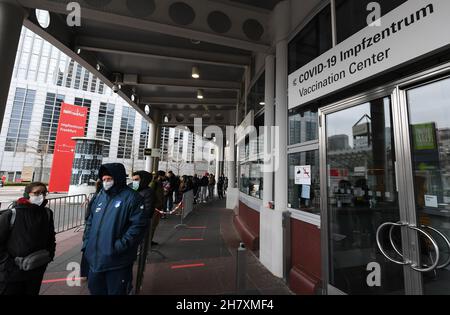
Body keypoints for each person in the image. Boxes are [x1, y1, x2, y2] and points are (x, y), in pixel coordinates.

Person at [83, 163, 148, 295]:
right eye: (104, 179)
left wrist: (118, 247)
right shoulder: (100, 196)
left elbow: (138, 227)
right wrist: (87, 243)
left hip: (117, 262)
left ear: (118, 178)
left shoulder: (132, 198)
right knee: (95, 291)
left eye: (109, 179)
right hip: (95, 259)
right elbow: (90, 221)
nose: (106, 182)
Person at [0, 182, 56, 295]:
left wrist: (49, 255)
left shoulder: (47, 214)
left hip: (36, 271)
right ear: (27, 194)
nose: (41, 196)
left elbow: (51, 238)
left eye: (44, 193)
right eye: (37, 193)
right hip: (11, 274)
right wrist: (8, 264)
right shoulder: (12, 214)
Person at [149, 171, 165, 246]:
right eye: (163, 176)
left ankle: (150, 240)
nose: (165, 177)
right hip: (154, 207)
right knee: (152, 225)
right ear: (160, 176)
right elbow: (150, 194)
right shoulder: (154, 183)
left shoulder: (159, 183)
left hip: (158, 206)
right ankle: (148, 241)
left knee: (154, 225)